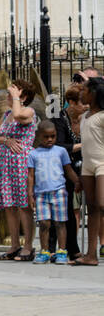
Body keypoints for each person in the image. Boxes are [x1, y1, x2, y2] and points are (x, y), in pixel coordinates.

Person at [0, 78, 39, 261]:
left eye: (12, 93)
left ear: (23, 96)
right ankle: (14, 245)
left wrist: (17, 98)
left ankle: (28, 246)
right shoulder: (6, 115)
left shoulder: (28, 111)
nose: (8, 96)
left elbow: (19, 116)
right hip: (5, 162)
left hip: (21, 162)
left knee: (24, 205)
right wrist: (6, 140)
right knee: (9, 205)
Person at [27, 122, 78, 265]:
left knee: (60, 223)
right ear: (38, 136)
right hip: (41, 194)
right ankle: (45, 251)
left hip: (59, 192)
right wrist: (30, 194)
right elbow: (31, 176)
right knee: (44, 223)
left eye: (53, 136)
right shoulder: (33, 153)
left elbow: (68, 170)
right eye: (46, 137)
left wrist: (78, 182)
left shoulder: (61, 151)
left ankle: (62, 251)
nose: (50, 139)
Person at [51, 84, 86, 260]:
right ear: (71, 102)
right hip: (60, 169)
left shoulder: (88, 118)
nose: (86, 105)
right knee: (61, 208)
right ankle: (51, 248)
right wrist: (81, 146)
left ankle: (73, 248)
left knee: (75, 210)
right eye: (82, 102)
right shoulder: (59, 118)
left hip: (83, 166)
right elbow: (58, 146)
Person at [74, 76, 104, 266]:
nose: (81, 93)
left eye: (84, 90)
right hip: (87, 166)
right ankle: (91, 255)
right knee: (91, 209)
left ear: (93, 94)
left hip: (102, 163)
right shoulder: (84, 117)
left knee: (102, 205)